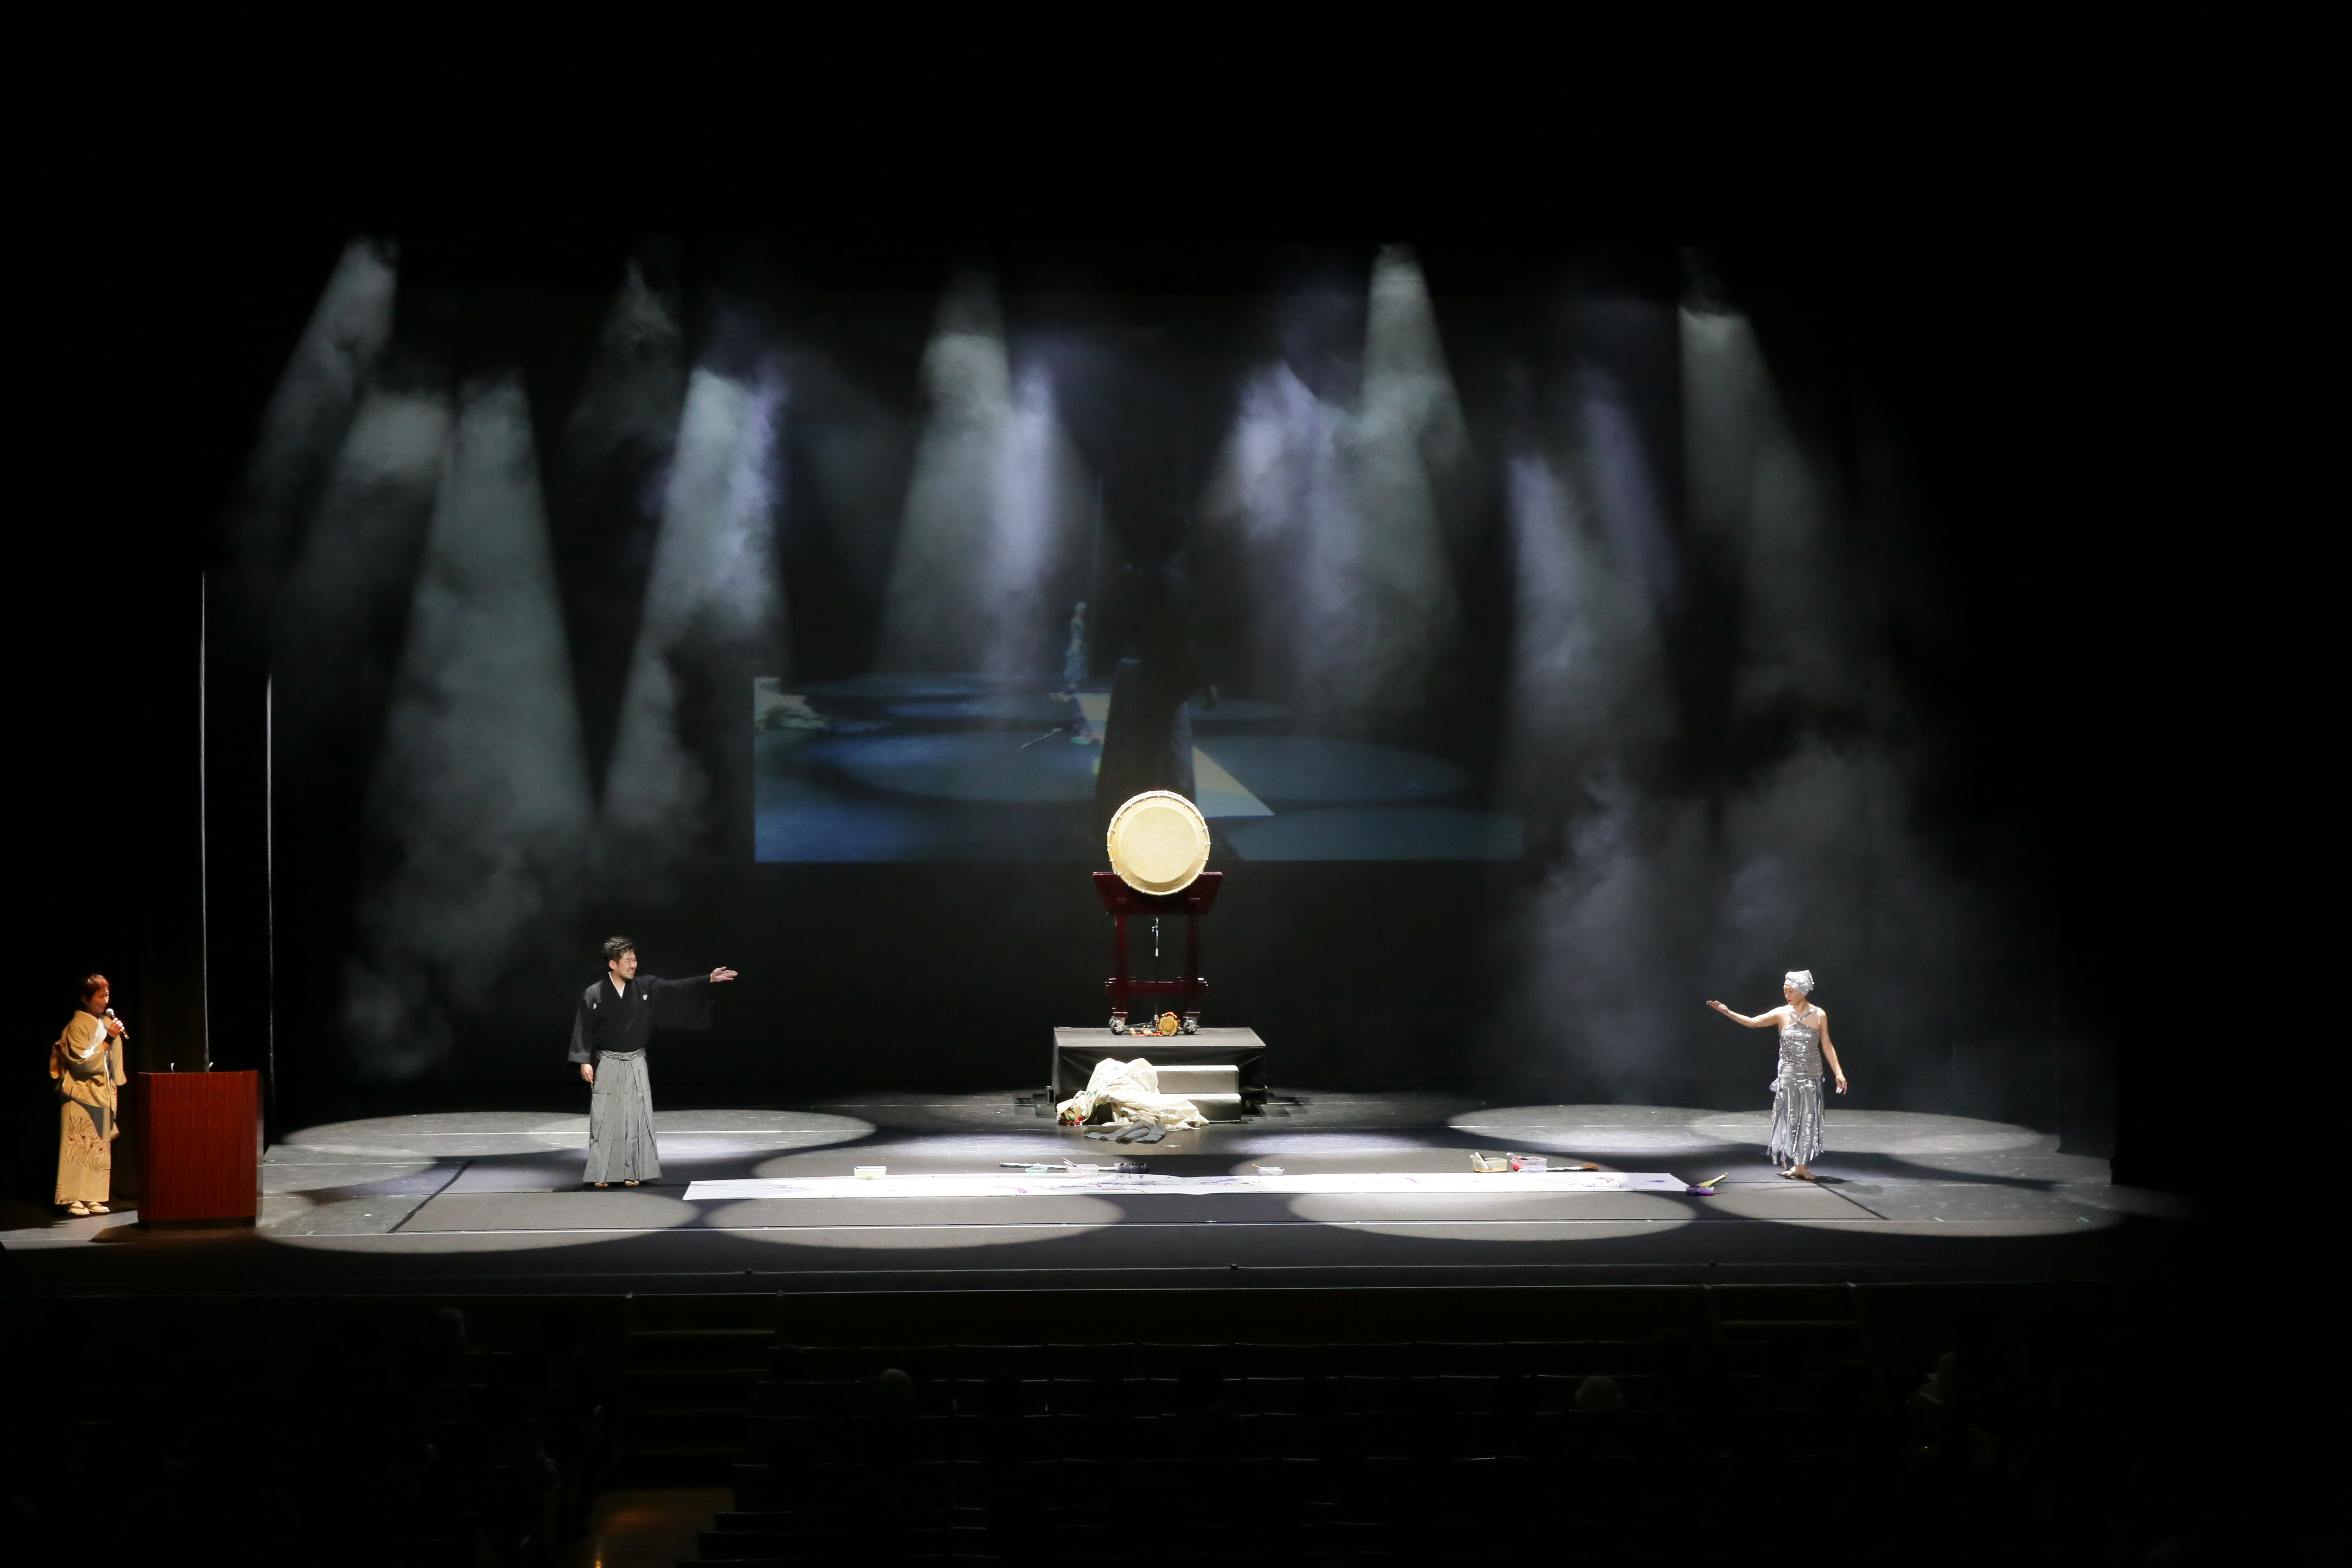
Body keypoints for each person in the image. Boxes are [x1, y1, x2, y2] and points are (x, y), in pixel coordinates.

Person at [568, 937, 737, 1187]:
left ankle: (633, 1171)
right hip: (608, 1061)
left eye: (635, 960)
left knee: (637, 1118)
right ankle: (602, 1173)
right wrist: (584, 1061)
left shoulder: (645, 986)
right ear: (613, 964)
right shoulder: (595, 993)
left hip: (636, 1061)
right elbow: (583, 1027)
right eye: (628, 961)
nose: (633, 965)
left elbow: (675, 988)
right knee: (605, 1120)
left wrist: (708, 979)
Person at [1706, 969, 1847, 1180]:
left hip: (1811, 1075)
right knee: (1792, 1120)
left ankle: (1801, 1166)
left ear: (1803, 991)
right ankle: (1797, 1165)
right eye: (1785, 991)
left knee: (1808, 1120)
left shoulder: (1819, 1015)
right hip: (1788, 1075)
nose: (1786, 995)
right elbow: (1753, 1022)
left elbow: (1826, 1044)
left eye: (1791, 991)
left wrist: (1838, 1073)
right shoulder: (1781, 1014)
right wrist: (1727, 1012)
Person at [52, 973, 127, 1216]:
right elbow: (82, 1062)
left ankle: (93, 1196)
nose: (106, 1000)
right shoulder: (77, 1026)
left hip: (101, 1091)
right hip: (80, 1092)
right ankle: (72, 1198)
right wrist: (109, 1039)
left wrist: (113, 1037)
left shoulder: (105, 1022)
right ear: (85, 999)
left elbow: (111, 1058)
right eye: (100, 996)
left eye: (107, 995)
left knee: (98, 1148)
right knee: (77, 1146)